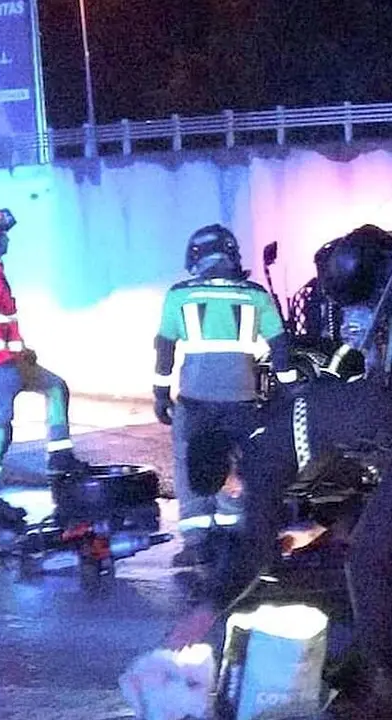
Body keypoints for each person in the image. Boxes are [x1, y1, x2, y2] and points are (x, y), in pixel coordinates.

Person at [163, 375, 392, 719]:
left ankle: (389, 692)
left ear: (230, 460)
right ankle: (365, 664)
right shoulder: (265, 424)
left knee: (366, 564)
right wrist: (317, 527)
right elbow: (340, 463)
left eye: (227, 485)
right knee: (357, 541)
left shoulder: (259, 456)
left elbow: (254, 550)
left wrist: (206, 610)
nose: (234, 493)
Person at [152, 224, 296, 567]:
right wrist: (288, 390)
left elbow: (165, 347)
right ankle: (236, 538)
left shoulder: (179, 295)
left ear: (194, 257)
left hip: (194, 401)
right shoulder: (255, 295)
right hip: (242, 401)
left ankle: (197, 543)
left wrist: (160, 393)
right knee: (239, 466)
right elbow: (280, 346)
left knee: (192, 466)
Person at [0, 206, 89, 529]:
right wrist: (6, 361)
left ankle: (60, 457)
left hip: (10, 362)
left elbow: (3, 322)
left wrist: (22, 353)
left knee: (56, 387)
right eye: (3, 235)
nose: (8, 241)